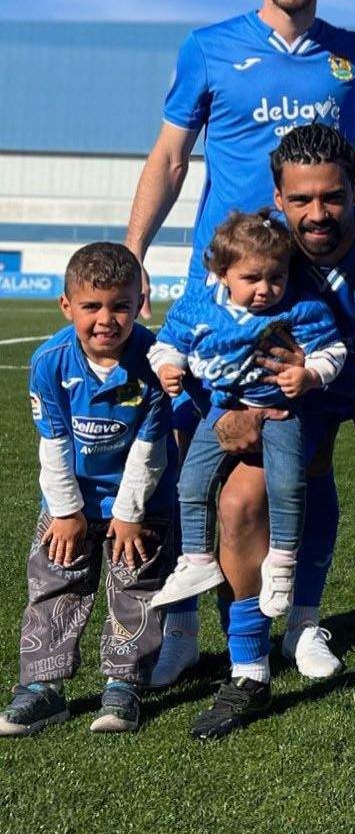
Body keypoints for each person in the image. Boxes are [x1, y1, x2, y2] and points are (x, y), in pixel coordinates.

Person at [124, 0, 355, 683]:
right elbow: (172, 156)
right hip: (220, 292)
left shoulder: (352, 56)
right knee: (195, 453)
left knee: (304, 457)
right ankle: (183, 621)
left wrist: (351, 166)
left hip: (309, 291)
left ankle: (303, 621)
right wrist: (133, 251)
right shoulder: (211, 47)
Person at [192, 125, 355, 736]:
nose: (317, 214)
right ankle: (248, 671)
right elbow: (201, 340)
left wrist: (326, 378)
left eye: (332, 197)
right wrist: (223, 407)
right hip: (286, 394)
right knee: (238, 505)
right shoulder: (249, 252)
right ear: (277, 199)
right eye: (301, 200)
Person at [0, 244, 175, 736]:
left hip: (141, 503)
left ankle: (124, 685)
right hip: (67, 503)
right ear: (67, 306)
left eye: (120, 305)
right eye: (92, 307)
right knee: (55, 583)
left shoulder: (155, 361)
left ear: (140, 302)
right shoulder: (50, 361)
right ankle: (41, 688)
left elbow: (151, 445)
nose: (106, 320)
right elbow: (52, 441)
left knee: (136, 587)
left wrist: (130, 513)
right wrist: (65, 511)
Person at [147, 212, 346, 618]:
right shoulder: (199, 307)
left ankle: (283, 562)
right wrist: (168, 366)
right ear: (223, 274)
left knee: (288, 484)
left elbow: (333, 350)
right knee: (191, 483)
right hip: (221, 407)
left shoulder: (301, 308)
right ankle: (197, 561)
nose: (265, 289)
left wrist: (309, 374)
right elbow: (167, 343)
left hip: (281, 412)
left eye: (276, 277)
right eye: (251, 279)